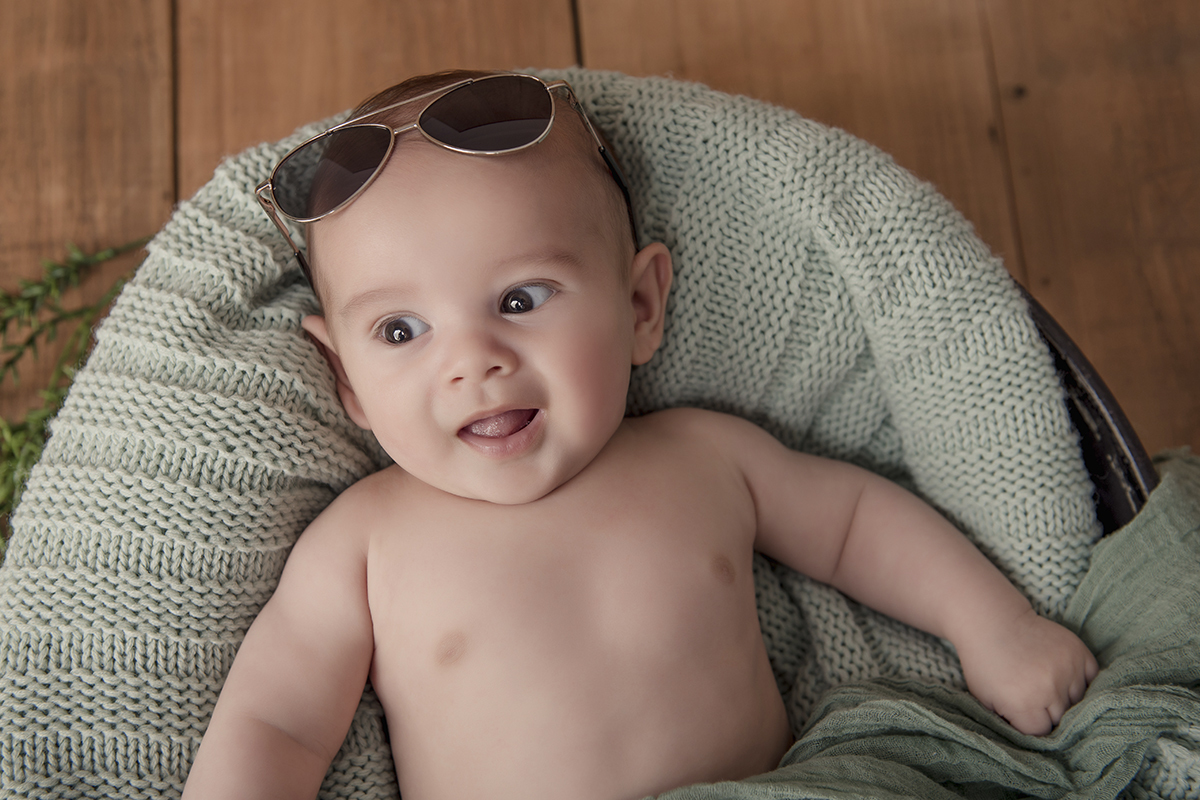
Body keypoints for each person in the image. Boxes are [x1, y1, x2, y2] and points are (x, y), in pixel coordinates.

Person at [183, 70, 1098, 800]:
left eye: (520, 299)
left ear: (640, 306)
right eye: (399, 330)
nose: (473, 362)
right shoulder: (363, 543)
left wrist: (996, 628)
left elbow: (857, 524)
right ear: (345, 375)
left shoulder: (705, 456)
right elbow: (278, 722)